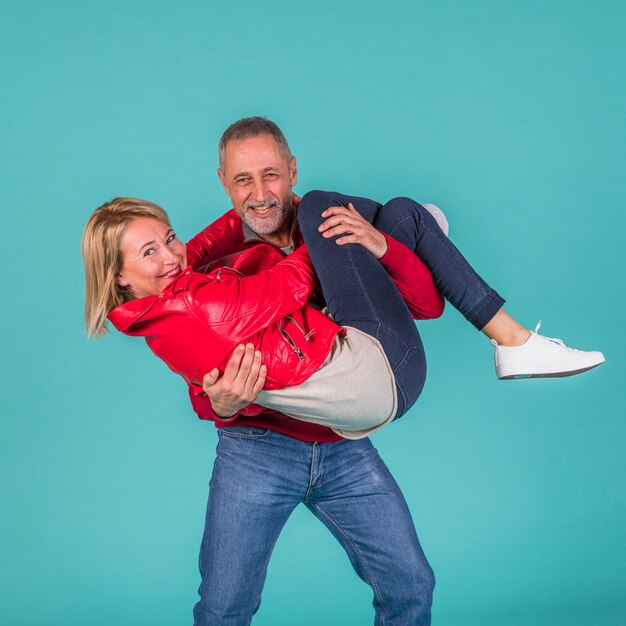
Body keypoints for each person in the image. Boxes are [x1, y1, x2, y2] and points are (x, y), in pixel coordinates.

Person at [82, 117, 604, 625]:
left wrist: (378, 245)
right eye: (242, 179)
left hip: (341, 445)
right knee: (224, 606)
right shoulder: (212, 272)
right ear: (224, 184)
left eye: (271, 176)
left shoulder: (320, 232)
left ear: (291, 169)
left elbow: (424, 305)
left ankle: (414, 227)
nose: (259, 193)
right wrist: (215, 402)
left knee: (410, 584)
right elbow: (203, 365)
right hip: (256, 451)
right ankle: (424, 229)